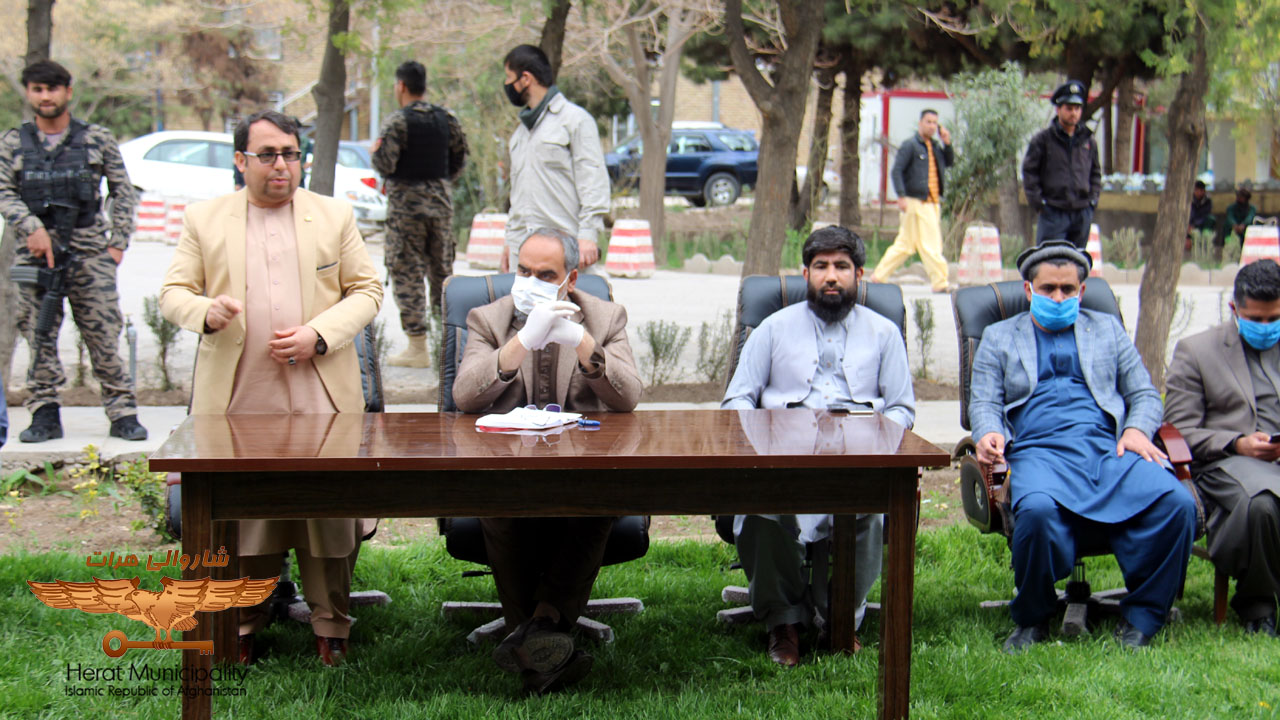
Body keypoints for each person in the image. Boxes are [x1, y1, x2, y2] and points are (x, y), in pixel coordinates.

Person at [159, 110, 383, 667]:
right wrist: (206, 311)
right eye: (267, 155)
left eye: (290, 153)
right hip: (240, 397)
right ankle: (240, 624)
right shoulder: (205, 219)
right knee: (246, 515)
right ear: (241, 161)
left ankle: (332, 626)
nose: (281, 165)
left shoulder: (333, 215)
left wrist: (319, 333)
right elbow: (172, 293)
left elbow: (367, 290)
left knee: (326, 512)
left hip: (320, 395)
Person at [969, 240, 1197, 653]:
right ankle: (1033, 618)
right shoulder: (998, 336)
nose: (1058, 297)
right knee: (1036, 512)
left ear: (1082, 291)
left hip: (1107, 451)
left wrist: (1137, 430)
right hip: (1036, 452)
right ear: (1028, 290)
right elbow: (983, 401)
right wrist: (988, 432)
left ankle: (1144, 616)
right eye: (1048, 289)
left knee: (1176, 504)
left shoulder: (1106, 329)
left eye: (1067, 290)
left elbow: (1144, 394)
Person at [452, 226, 641, 694]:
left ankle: (532, 634)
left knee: (596, 505)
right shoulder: (488, 319)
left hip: (580, 476)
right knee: (500, 506)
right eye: (522, 270)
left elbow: (630, 397)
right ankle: (546, 636)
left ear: (570, 278)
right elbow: (464, 394)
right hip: (506, 474)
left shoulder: (604, 317)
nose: (529, 280)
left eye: (545, 274)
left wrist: (582, 342)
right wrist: (519, 346)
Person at [723, 226, 915, 666]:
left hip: (860, 459)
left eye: (842, 267)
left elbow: (903, 409)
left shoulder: (885, 334)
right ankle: (784, 623)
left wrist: (880, 443)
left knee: (869, 506)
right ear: (805, 273)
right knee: (760, 508)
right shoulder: (772, 329)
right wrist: (765, 440)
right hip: (780, 459)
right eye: (822, 267)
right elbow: (737, 400)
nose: (832, 276)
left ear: (859, 275)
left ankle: (840, 619)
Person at [0, 60, 146, 443]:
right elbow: (4, 191)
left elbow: (122, 190)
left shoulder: (96, 138)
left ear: (67, 91)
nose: (45, 96)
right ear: (29, 93)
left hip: (88, 252)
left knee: (103, 333)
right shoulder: (14, 141)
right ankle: (44, 413)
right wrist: (31, 227)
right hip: (34, 256)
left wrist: (117, 243)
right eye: (37, 89)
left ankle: (122, 413)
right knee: (38, 332)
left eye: (52, 88)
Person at [1164, 259, 1280, 637]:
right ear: (1234, 309)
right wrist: (1237, 442)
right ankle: (1258, 607)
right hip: (1227, 462)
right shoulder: (1197, 351)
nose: (1265, 328)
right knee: (1262, 504)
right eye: (1255, 319)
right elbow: (1178, 430)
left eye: (1274, 319)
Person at [372, 60, 468, 368]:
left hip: (406, 210)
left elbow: (384, 164)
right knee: (442, 273)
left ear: (401, 86)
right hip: (440, 206)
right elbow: (458, 160)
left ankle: (417, 348)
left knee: (408, 273)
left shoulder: (397, 123)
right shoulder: (447, 119)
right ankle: (450, 346)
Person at [500, 44, 609, 274]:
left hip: (565, 251)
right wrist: (510, 242)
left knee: (572, 310)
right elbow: (518, 195)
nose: (507, 85)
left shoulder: (575, 121)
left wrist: (588, 234)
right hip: (524, 252)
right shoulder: (520, 134)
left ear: (525, 78)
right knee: (521, 311)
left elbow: (593, 179)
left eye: (509, 78)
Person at [870, 109, 954, 293]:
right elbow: (896, 170)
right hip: (916, 202)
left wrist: (947, 142)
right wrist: (901, 195)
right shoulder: (910, 145)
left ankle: (878, 276)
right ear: (920, 123)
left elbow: (949, 162)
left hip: (932, 202)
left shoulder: (935, 147)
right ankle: (940, 282)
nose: (931, 126)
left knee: (905, 244)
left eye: (934, 123)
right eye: (928, 122)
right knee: (931, 244)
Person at [1022, 81, 1101, 249]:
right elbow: (1029, 173)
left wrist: (1092, 201)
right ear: (1059, 110)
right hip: (1053, 212)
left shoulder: (1088, 141)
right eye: (1069, 108)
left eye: (1077, 108)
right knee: (1050, 265)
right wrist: (1039, 203)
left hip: (1081, 213)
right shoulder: (1043, 140)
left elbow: (1095, 173)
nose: (1074, 113)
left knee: (1076, 267)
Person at [1188, 180, 1215, 250]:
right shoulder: (1190, 200)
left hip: (1202, 223)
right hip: (1190, 225)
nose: (1199, 193)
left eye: (1201, 190)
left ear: (1204, 191)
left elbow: (1205, 214)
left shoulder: (1207, 201)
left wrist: (1195, 225)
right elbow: (1190, 214)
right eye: (1197, 190)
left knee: (1211, 219)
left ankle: (1205, 240)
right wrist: (1190, 225)